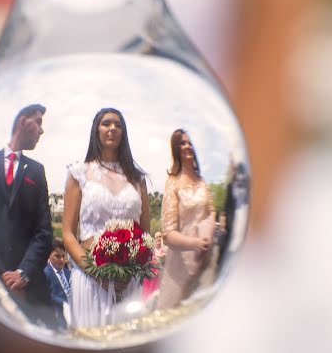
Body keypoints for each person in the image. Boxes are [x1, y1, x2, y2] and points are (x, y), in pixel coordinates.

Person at [62, 108, 151, 328]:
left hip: (128, 280)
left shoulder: (137, 178)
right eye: (106, 123)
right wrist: (96, 273)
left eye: (118, 125)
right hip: (90, 279)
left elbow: (146, 233)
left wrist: (132, 272)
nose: (112, 128)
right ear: (96, 130)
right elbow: (67, 233)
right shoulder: (78, 173)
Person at [0, 104, 53, 323]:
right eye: (38, 122)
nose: (41, 130)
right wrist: (2, 277)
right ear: (22, 122)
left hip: (32, 289)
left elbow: (44, 231)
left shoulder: (37, 171)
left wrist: (23, 274)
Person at [157, 129, 216, 310]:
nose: (187, 146)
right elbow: (168, 234)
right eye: (182, 143)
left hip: (206, 260)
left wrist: (208, 234)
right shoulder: (173, 183)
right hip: (181, 267)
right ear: (176, 149)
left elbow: (212, 211)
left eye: (189, 142)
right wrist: (196, 243)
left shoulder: (202, 182)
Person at [43, 239, 72, 329]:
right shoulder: (45, 273)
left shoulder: (69, 273)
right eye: (57, 256)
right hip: (58, 315)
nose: (62, 259)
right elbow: (46, 297)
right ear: (48, 255)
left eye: (63, 256)